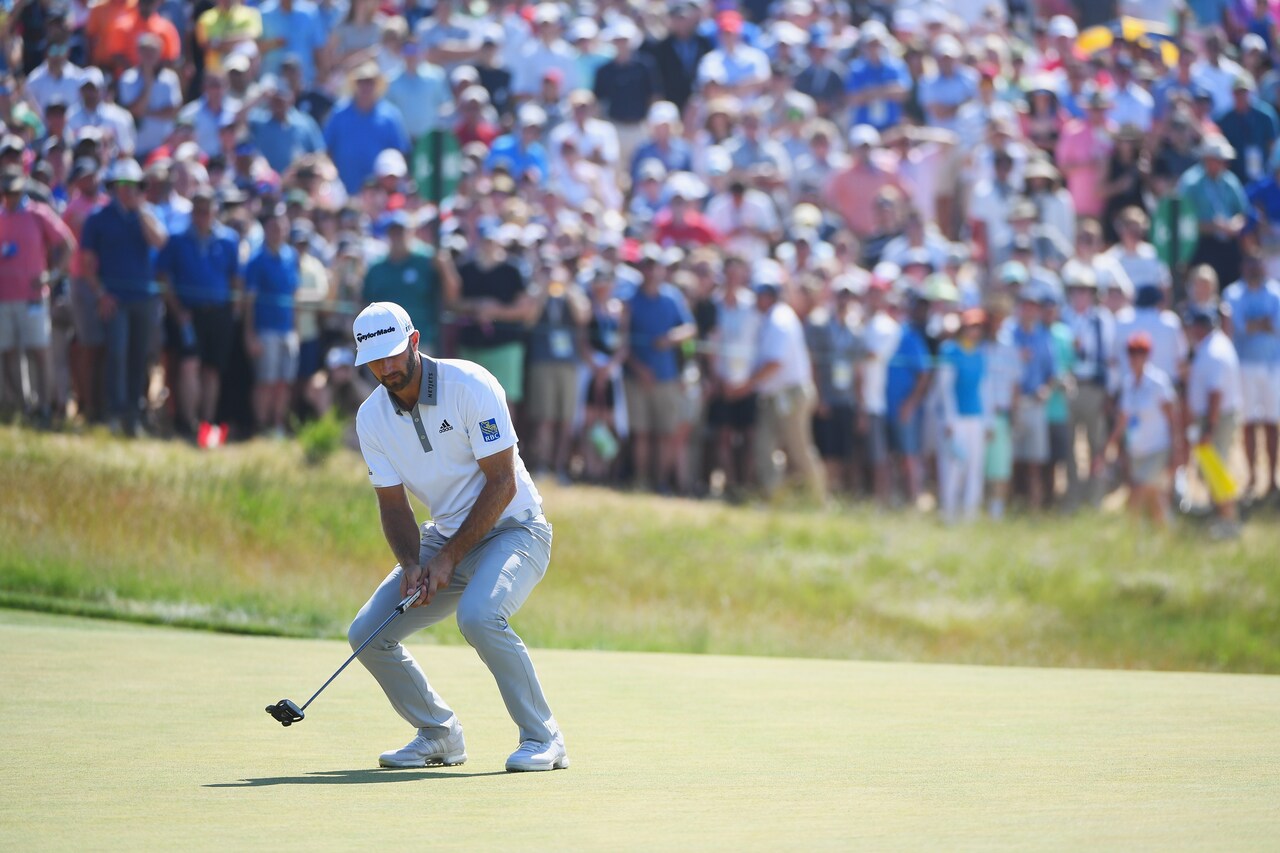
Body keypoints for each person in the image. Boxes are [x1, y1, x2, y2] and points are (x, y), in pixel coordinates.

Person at [348, 300, 567, 773]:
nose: (386, 368)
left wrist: (446, 559)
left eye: (392, 354)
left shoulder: (470, 384)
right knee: (368, 634)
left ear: (414, 342)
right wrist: (412, 565)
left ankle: (543, 738)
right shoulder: (371, 419)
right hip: (444, 536)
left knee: (480, 615)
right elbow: (393, 504)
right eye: (374, 361)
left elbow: (502, 483)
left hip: (516, 529)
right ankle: (438, 735)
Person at [79, 158, 169, 436]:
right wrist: (101, 294)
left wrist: (140, 211)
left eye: (134, 186)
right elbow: (87, 263)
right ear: (114, 187)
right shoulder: (98, 218)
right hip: (114, 299)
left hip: (143, 299)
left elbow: (160, 241)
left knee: (139, 356)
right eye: (123, 185)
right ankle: (115, 413)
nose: (128, 191)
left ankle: (134, 412)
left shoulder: (147, 214)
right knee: (116, 354)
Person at [726, 277, 824, 503]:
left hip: (789, 394)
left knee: (799, 450)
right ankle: (774, 498)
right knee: (763, 446)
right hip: (774, 395)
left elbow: (774, 363)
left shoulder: (780, 320)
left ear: (767, 296)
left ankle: (819, 499)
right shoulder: (771, 319)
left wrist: (745, 387)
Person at [154, 188, 241, 442]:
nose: (203, 216)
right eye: (199, 210)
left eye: (207, 210)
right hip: (188, 315)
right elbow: (163, 277)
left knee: (212, 370)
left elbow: (236, 278)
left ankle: (207, 423)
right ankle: (187, 421)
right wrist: (177, 310)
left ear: (215, 211)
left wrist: (234, 310)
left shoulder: (228, 240)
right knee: (189, 365)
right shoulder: (177, 240)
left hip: (219, 314)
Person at [0, 167, 75, 424]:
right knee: (8, 352)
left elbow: (67, 244)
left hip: (32, 298)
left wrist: (52, 276)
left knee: (39, 352)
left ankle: (44, 406)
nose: (8, 196)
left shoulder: (37, 213)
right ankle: (23, 406)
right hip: (3, 298)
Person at [623, 244, 696, 492]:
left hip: (667, 377)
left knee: (665, 433)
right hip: (637, 378)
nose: (652, 271)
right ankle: (642, 481)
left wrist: (670, 338)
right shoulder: (631, 300)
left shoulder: (672, 297)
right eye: (648, 265)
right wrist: (638, 368)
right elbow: (624, 342)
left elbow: (689, 328)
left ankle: (661, 481)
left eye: (656, 266)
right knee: (641, 433)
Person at [1222, 246, 1280, 497]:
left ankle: (1271, 480)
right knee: (1248, 423)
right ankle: (1253, 476)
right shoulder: (1232, 293)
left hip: (1271, 365)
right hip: (1243, 366)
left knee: (1270, 422)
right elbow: (1237, 328)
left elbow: (1275, 326)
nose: (1255, 268)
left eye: (1259, 263)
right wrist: (1261, 324)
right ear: (1243, 266)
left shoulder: (1276, 293)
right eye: (1250, 263)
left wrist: (1253, 324)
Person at [1108, 332, 1180, 529]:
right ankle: (1168, 535)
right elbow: (1123, 419)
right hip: (1137, 450)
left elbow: (1172, 418)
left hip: (1157, 448)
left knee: (1137, 494)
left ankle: (1130, 537)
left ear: (1147, 355)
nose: (1135, 357)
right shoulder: (1128, 382)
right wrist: (1110, 446)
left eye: (1140, 352)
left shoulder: (1158, 382)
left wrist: (1177, 451)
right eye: (1132, 352)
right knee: (1154, 499)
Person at [1185, 307, 1244, 539]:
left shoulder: (1214, 351)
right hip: (1216, 417)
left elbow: (1215, 393)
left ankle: (1228, 521)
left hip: (1216, 419)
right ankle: (1220, 516)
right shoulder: (1213, 345)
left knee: (1216, 469)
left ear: (1200, 327)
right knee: (1212, 469)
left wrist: (1209, 428)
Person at [243, 205, 299, 437]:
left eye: (281, 227)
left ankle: (277, 425)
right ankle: (261, 425)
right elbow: (249, 302)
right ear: (265, 229)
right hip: (264, 329)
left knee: (284, 382)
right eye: (273, 227)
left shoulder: (291, 256)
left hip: (287, 330)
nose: (278, 231)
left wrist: (295, 330)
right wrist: (249, 334)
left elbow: (294, 296)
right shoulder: (256, 260)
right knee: (266, 381)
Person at [805, 278, 862, 497]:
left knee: (842, 452)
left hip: (845, 399)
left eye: (848, 297)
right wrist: (820, 397)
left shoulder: (855, 330)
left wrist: (859, 403)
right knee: (825, 450)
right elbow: (815, 364)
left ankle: (834, 491)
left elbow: (857, 371)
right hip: (827, 398)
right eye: (841, 295)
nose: (844, 301)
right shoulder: (819, 325)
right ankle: (823, 493)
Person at [937, 308, 988, 523]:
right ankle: (949, 514)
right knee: (954, 466)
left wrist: (988, 421)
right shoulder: (949, 351)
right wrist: (950, 419)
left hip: (975, 417)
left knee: (974, 468)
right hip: (956, 419)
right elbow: (945, 389)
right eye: (970, 326)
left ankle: (970, 516)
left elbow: (985, 389)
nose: (973, 331)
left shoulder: (980, 353)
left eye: (977, 327)